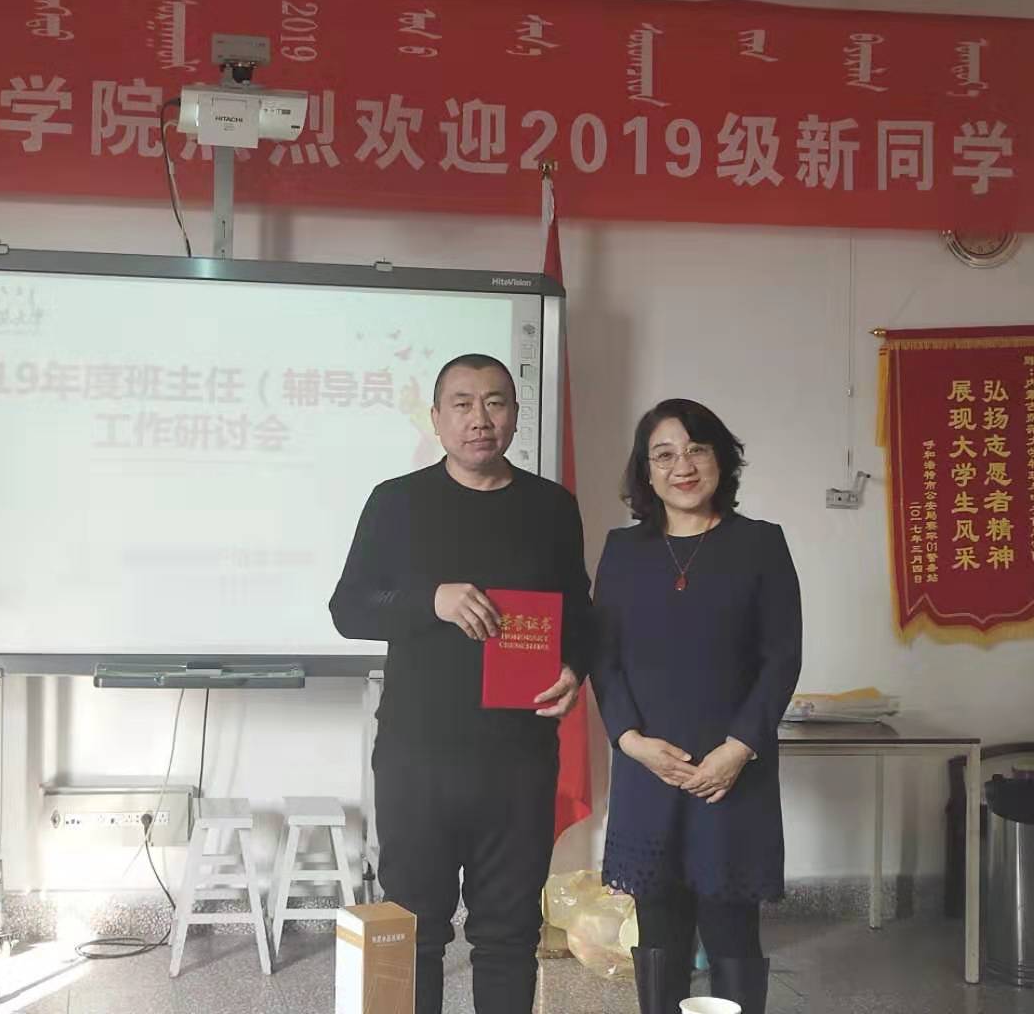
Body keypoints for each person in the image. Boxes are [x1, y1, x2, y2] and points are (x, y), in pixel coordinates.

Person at [329, 353, 592, 1014]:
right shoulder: (396, 501)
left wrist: (574, 667)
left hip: (518, 758)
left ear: (514, 415)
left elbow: (579, 611)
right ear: (437, 418)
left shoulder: (551, 507)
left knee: (509, 933)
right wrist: (432, 600)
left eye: (495, 402)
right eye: (463, 403)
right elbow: (349, 609)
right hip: (418, 756)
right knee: (412, 931)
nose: (480, 418)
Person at [590, 398, 802, 1014]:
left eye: (696, 450)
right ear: (646, 471)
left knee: (731, 922)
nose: (681, 466)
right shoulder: (623, 550)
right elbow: (604, 657)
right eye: (663, 455)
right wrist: (630, 740)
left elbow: (782, 657)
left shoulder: (760, 543)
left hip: (732, 769)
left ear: (720, 460)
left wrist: (738, 749)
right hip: (648, 765)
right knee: (659, 924)